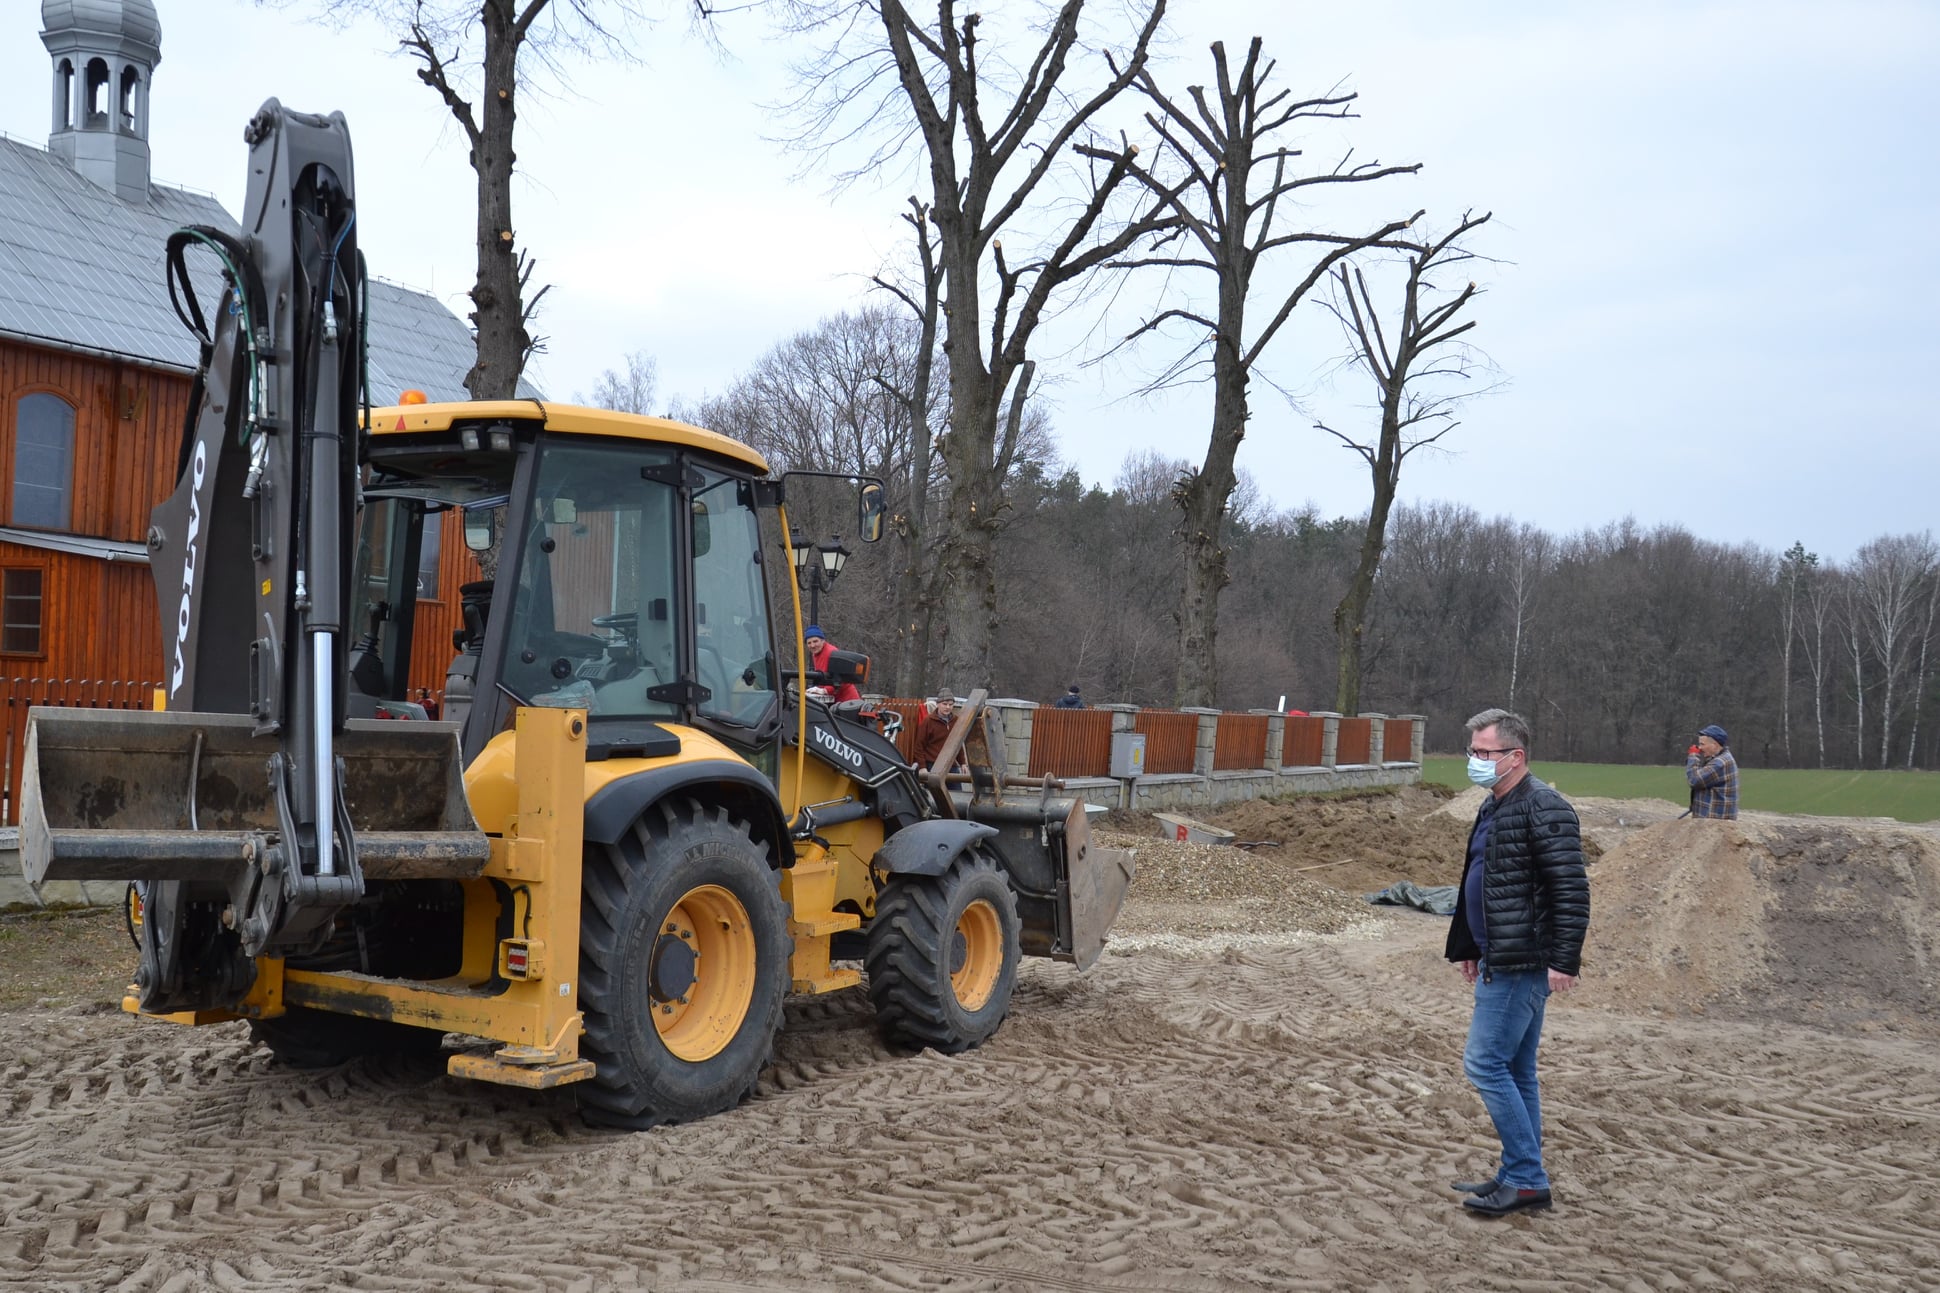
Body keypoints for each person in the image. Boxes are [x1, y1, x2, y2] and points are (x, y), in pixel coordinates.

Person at [1444, 707, 1590, 1217]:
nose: (1476, 761)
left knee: (1484, 1064)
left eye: (1485, 753)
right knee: (1517, 1069)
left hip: (1523, 962)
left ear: (1516, 756)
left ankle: (1527, 1178)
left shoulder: (1544, 807)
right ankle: (1517, 1173)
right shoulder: (1495, 805)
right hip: (1498, 956)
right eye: (1473, 752)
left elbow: (1570, 891)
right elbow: (1480, 881)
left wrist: (1564, 961)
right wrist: (1468, 945)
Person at [1685, 723, 1739, 819]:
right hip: (1713, 821)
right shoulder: (1721, 758)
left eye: (1702, 744)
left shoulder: (1720, 763)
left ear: (1714, 745)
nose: (1699, 748)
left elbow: (1694, 780)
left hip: (1715, 823)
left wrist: (1693, 756)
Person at [802, 625, 861, 703]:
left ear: (823, 640)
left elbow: (840, 679)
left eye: (815, 641)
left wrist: (824, 690)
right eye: (809, 643)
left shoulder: (831, 653)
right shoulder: (816, 653)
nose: (812, 645)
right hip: (834, 699)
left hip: (847, 700)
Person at [911, 691, 964, 772]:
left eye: (950, 704)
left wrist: (963, 763)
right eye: (944, 704)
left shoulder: (956, 721)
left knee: (956, 784)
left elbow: (958, 744)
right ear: (938, 704)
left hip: (951, 765)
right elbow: (919, 746)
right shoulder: (928, 721)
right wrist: (922, 767)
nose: (947, 707)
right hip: (932, 764)